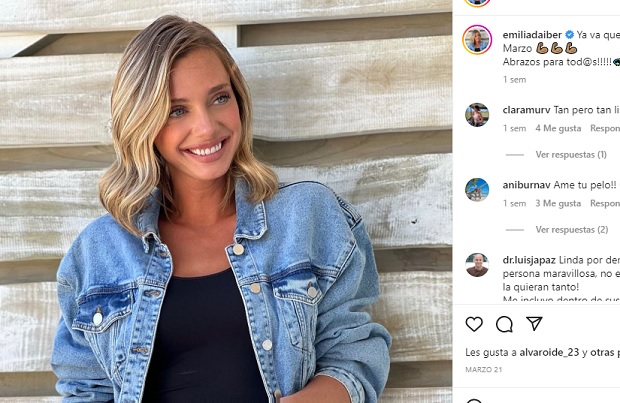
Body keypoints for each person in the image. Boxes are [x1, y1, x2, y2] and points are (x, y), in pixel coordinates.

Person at [50, 15, 391, 403]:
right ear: (143, 123)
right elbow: (85, 389)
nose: (207, 127)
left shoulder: (307, 217)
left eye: (219, 98)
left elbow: (353, 356)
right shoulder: (99, 252)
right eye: (177, 110)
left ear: (238, 100)